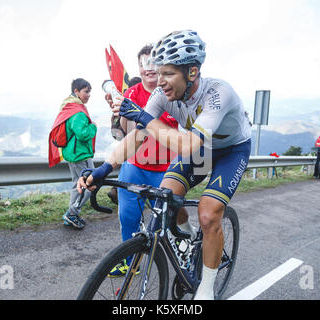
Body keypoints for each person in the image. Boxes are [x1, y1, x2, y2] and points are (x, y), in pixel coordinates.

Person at [78, 30, 252, 300]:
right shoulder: (162, 94)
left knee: (208, 214)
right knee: (167, 197)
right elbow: (138, 135)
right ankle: (188, 234)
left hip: (230, 151)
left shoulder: (218, 94)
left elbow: (185, 146)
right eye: (158, 73)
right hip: (201, 147)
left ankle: (205, 288)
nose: (160, 82)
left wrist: (144, 117)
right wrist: (105, 167)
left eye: (168, 74)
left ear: (192, 72)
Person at [105, 44, 179, 277]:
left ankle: (182, 256)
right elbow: (124, 135)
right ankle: (130, 262)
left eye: (153, 63)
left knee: (167, 223)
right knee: (128, 218)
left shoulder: (172, 93)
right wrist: (117, 115)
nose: (148, 69)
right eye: (142, 64)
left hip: (165, 168)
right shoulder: (131, 93)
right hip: (134, 166)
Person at [53, 78, 97, 229]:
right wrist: (94, 127)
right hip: (78, 155)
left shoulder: (73, 107)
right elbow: (83, 134)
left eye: (89, 91)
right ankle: (72, 214)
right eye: (86, 91)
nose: (88, 95)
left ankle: (72, 214)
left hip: (78, 153)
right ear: (76, 91)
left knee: (82, 185)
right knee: (85, 187)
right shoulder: (77, 111)